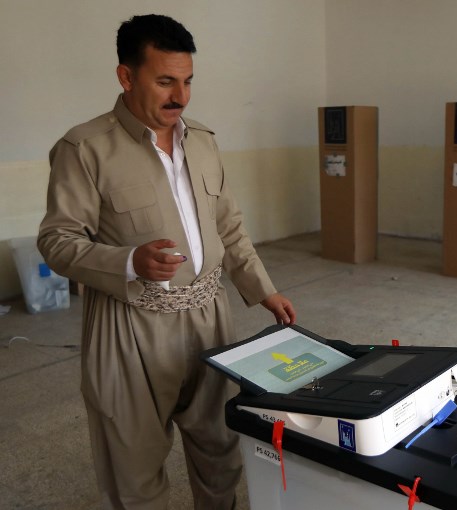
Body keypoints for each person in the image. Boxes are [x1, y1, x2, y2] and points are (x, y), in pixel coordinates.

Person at [38, 14, 296, 509]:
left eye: (187, 81)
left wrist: (263, 289)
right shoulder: (86, 148)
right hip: (130, 324)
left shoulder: (202, 140)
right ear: (126, 76)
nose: (180, 95)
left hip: (209, 317)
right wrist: (129, 261)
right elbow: (57, 240)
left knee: (221, 448)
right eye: (164, 81)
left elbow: (229, 226)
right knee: (133, 462)